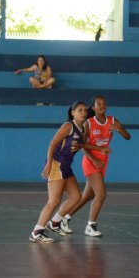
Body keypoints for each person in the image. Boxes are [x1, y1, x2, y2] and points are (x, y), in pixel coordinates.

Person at [29, 101, 110, 243]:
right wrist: (48, 164)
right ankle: (37, 231)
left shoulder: (81, 129)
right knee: (54, 201)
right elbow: (53, 143)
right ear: (72, 112)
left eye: (84, 110)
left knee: (76, 196)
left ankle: (54, 223)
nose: (83, 113)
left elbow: (82, 144)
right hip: (56, 164)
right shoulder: (68, 126)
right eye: (79, 110)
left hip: (66, 167)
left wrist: (100, 149)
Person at [60, 96, 131, 237]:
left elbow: (127, 136)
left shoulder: (112, 121)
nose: (102, 105)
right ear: (93, 108)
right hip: (90, 161)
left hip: (103, 162)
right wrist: (95, 157)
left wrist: (118, 130)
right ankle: (91, 226)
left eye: (104, 103)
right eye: (98, 104)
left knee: (87, 196)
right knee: (101, 194)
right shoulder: (89, 123)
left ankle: (64, 219)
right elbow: (82, 145)